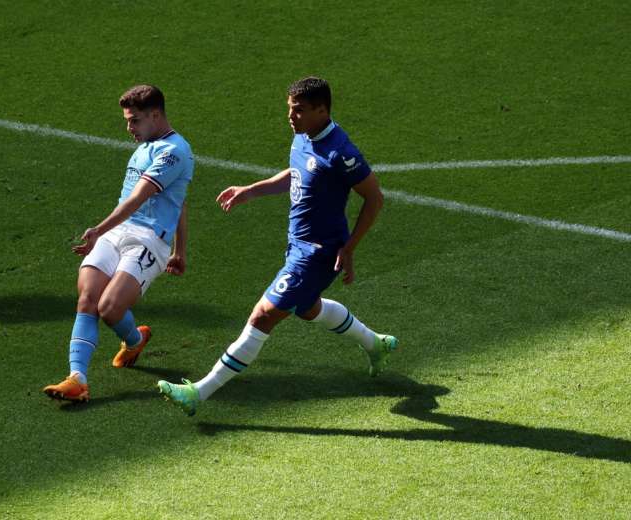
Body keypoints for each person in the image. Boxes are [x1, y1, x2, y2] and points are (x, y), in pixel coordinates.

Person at [158, 77, 397, 416]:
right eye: (289, 109)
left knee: (263, 315)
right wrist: (251, 190)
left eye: (298, 111)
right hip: (296, 245)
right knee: (308, 307)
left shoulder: (342, 153)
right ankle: (376, 344)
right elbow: (296, 173)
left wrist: (350, 247)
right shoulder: (304, 136)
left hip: (317, 253)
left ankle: (200, 392)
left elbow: (374, 198)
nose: (291, 117)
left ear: (322, 110)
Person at [43, 85, 194, 402]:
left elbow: (141, 198)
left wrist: (177, 249)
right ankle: (77, 379)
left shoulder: (174, 152)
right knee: (87, 296)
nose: (129, 128)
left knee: (110, 307)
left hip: (149, 240)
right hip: (116, 232)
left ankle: (134, 339)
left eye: (135, 120)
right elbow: (177, 200)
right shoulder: (144, 145)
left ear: (155, 115)